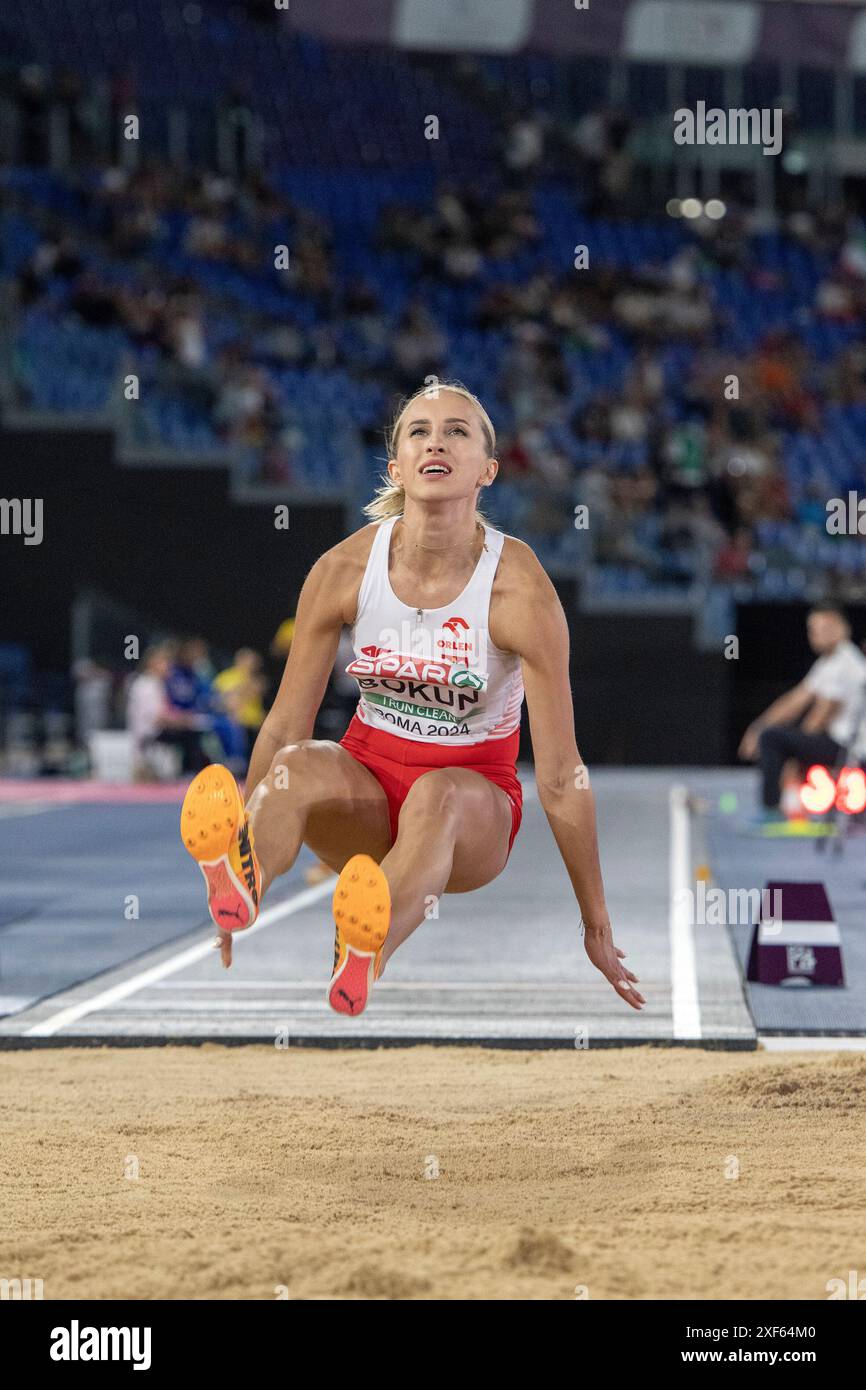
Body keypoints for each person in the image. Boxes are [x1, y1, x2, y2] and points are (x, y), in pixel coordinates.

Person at [180, 382, 642, 1017]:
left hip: (471, 810)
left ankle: (366, 946)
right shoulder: (343, 570)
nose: (437, 441)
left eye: (458, 432)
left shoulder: (518, 591)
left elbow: (562, 776)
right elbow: (286, 720)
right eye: (419, 431)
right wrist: (244, 831)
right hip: (363, 795)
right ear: (397, 467)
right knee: (300, 763)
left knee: (437, 795)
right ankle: (241, 876)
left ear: (488, 470)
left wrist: (595, 921)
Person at [738, 604, 866, 818]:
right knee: (771, 733)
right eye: (813, 629)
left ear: (842, 628)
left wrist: (793, 757)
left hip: (849, 750)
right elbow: (793, 701)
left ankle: (771, 811)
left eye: (824, 628)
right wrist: (757, 726)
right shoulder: (829, 662)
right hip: (836, 742)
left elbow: (820, 718)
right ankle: (782, 806)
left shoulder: (847, 663)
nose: (816, 635)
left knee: (773, 738)